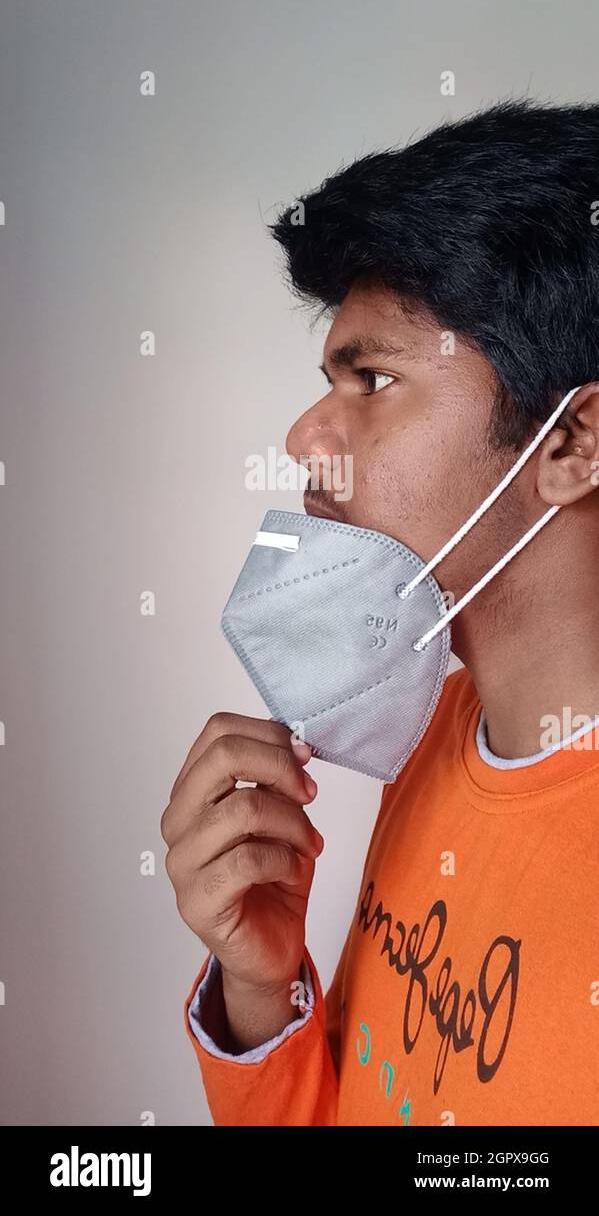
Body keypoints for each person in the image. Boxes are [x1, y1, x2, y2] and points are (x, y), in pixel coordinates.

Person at [161, 97, 599, 1125]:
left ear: (573, 442)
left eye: (371, 378)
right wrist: (262, 994)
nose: (306, 436)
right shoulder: (442, 735)